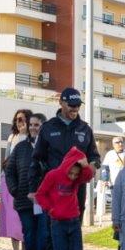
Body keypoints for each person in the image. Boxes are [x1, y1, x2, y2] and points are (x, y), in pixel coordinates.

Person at [35, 146, 93, 250]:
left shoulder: (78, 176)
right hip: (58, 223)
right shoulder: (53, 175)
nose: (73, 176)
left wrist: (85, 165)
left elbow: (88, 176)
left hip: (74, 222)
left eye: (76, 174)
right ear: (67, 165)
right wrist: (51, 209)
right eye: (71, 173)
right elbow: (40, 194)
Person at [32, 87, 101, 215]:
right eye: (71, 105)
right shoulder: (48, 127)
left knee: (74, 230)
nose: (75, 108)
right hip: (54, 188)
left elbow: (94, 157)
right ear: (61, 103)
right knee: (52, 231)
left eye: (78, 105)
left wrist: (91, 167)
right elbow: (37, 159)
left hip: (76, 189)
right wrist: (34, 188)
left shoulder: (85, 129)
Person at [6, 112, 48, 250]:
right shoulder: (21, 147)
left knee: (44, 234)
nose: (32, 128)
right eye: (31, 125)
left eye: (36, 125)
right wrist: (15, 189)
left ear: (43, 127)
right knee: (29, 234)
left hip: (44, 200)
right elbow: (9, 171)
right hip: (24, 199)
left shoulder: (49, 147)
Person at [0, 110, 29, 250]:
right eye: (17, 119)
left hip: (24, 182)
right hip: (9, 180)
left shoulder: (30, 138)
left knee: (24, 218)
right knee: (12, 219)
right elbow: (8, 159)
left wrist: (24, 135)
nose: (19, 122)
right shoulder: (11, 137)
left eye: (22, 119)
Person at [99, 135, 125, 223]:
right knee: (116, 206)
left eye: (121, 142)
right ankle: (116, 224)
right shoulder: (110, 154)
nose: (120, 144)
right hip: (114, 185)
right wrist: (105, 179)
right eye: (117, 142)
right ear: (113, 144)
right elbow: (105, 168)